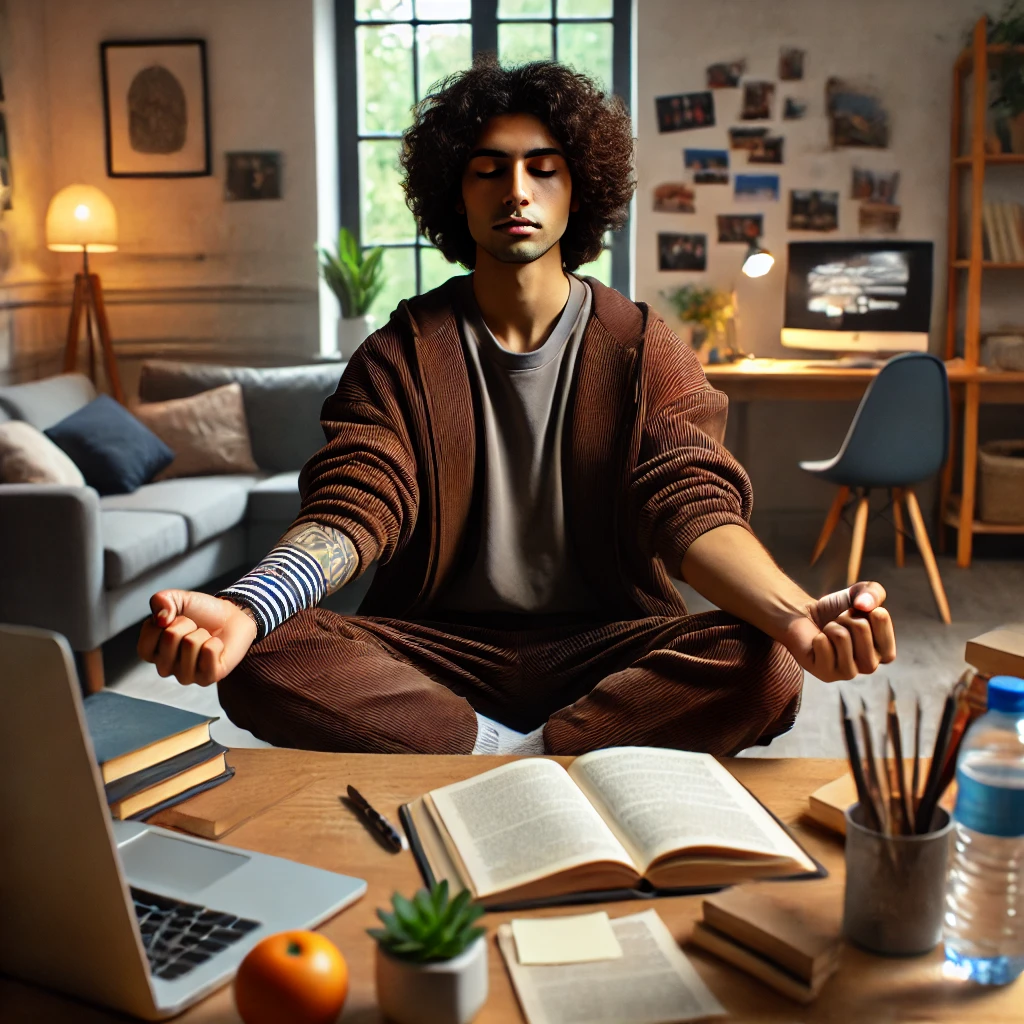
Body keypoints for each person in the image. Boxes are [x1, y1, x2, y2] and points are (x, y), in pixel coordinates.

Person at [139, 57, 895, 757]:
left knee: (764, 660)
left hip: (605, 642)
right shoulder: (397, 352)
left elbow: (691, 505)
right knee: (258, 654)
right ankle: (527, 753)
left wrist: (797, 616)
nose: (517, 191)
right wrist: (246, 607)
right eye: (488, 171)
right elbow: (353, 503)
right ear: (456, 194)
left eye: (544, 168)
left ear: (580, 190)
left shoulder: (643, 347)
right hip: (434, 648)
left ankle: (504, 751)